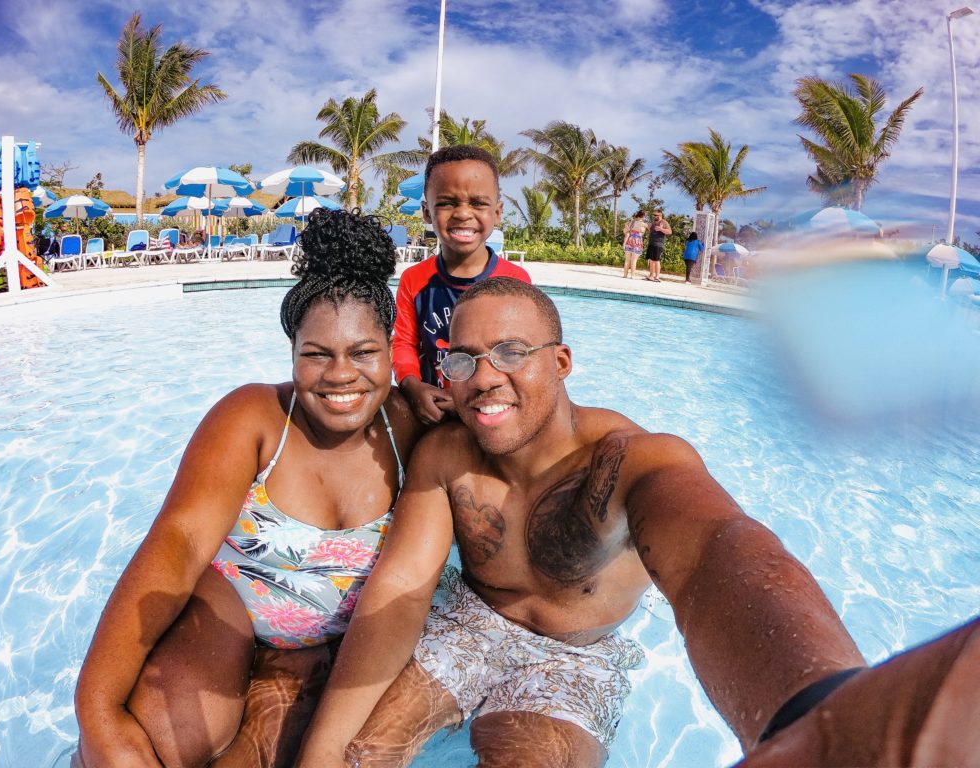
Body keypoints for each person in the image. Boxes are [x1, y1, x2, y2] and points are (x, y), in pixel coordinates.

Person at [296, 277, 980, 768]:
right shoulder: (446, 454)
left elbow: (719, 549)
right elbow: (400, 590)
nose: (483, 378)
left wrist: (817, 711)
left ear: (561, 363)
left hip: (578, 655)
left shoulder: (632, 460)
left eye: (510, 352)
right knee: (359, 756)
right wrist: (321, 758)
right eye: (462, 359)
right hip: (470, 622)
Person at [74, 208, 420, 768]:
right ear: (291, 352)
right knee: (167, 739)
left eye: (363, 353)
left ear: (389, 349)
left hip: (333, 639)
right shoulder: (255, 418)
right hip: (235, 603)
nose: (340, 375)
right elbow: (178, 544)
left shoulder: (409, 429)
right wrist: (98, 711)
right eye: (316, 354)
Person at [392, 145, 531, 426]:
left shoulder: (515, 281)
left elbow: (520, 357)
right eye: (446, 202)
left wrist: (471, 399)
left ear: (498, 212)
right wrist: (412, 387)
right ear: (427, 213)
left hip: (492, 408)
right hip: (433, 407)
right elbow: (404, 343)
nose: (462, 213)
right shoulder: (414, 280)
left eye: (478, 203)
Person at [644, 209, 672, 282]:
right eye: (653, 215)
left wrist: (661, 229)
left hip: (658, 244)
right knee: (651, 260)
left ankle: (657, 277)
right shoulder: (654, 223)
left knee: (656, 260)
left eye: (655, 215)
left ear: (660, 215)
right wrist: (648, 227)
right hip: (651, 243)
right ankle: (651, 276)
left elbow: (670, 232)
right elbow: (651, 230)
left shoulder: (663, 222)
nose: (654, 216)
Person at [621, 211, 647, 279]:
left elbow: (625, 232)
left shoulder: (631, 223)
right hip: (637, 242)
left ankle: (625, 275)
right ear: (643, 216)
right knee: (634, 260)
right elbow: (645, 230)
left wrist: (624, 244)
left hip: (629, 241)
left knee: (627, 260)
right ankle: (632, 276)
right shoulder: (644, 224)